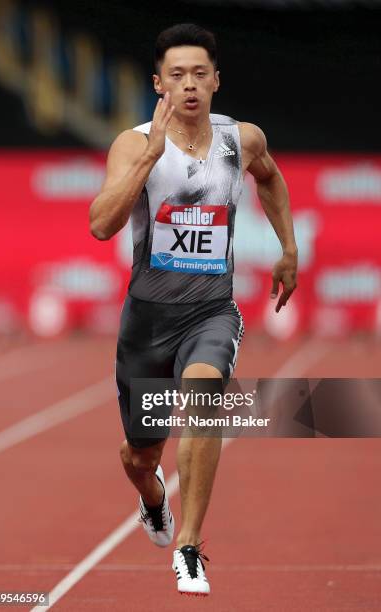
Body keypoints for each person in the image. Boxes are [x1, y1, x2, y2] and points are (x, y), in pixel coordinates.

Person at [89, 23, 298, 596]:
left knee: (204, 398)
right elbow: (101, 225)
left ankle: (190, 545)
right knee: (138, 453)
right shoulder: (134, 144)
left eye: (199, 74)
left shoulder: (242, 139)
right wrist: (150, 157)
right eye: (176, 75)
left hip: (211, 313)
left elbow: (271, 179)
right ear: (158, 84)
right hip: (147, 323)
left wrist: (289, 247)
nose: (189, 85)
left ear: (215, 82)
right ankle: (153, 500)